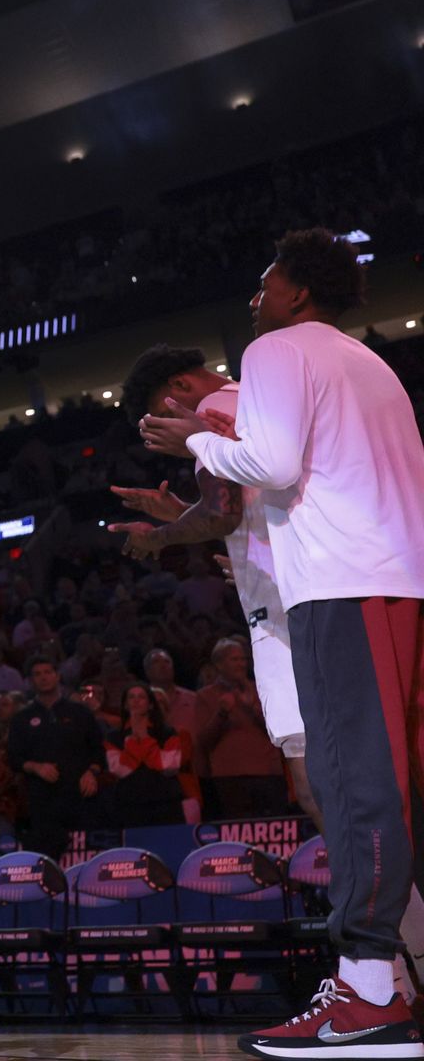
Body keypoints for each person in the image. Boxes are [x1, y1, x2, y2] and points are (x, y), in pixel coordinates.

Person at [142, 229, 424, 1056]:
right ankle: (378, 983)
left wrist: (189, 440)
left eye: (264, 281)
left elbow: (267, 459)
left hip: (343, 584)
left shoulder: (272, 351)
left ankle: (372, 995)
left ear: (296, 291)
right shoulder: (367, 362)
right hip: (400, 579)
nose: (255, 296)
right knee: (396, 780)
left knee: (356, 784)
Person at [114, 346, 313, 819]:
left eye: (158, 418)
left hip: (284, 608)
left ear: (179, 389)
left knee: (312, 772)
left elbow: (221, 514)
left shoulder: (210, 411)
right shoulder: (255, 397)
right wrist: (183, 513)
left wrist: (159, 537)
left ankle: (376, 894)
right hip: (307, 583)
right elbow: (242, 508)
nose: (159, 434)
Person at [6, 656, 104, 859]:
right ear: (30, 681)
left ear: (58, 676)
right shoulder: (21, 718)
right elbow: (13, 757)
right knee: (48, 858)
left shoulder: (80, 713)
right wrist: (34, 766)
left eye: (48, 672)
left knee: (84, 855)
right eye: (37, 674)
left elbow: (98, 750)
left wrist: (92, 772)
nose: (43, 678)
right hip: (43, 800)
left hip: (79, 794)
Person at [191, 639, 284, 820]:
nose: (241, 664)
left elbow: (279, 732)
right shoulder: (205, 696)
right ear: (219, 664)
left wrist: (254, 709)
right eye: (234, 660)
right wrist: (222, 713)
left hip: (268, 774)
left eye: (243, 659)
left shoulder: (262, 689)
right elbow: (203, 741)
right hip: (229, 778)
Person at [104, 683, 186, 825]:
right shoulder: (113, 737)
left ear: (150, 705)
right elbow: (119, 770)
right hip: (128, 805)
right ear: (125, 705)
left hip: (165, 803)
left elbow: (169, 767)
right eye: (131, 697)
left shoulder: (167, 733)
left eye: (141, 697)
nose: (136, 700)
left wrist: (144, 739)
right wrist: (134, 742)